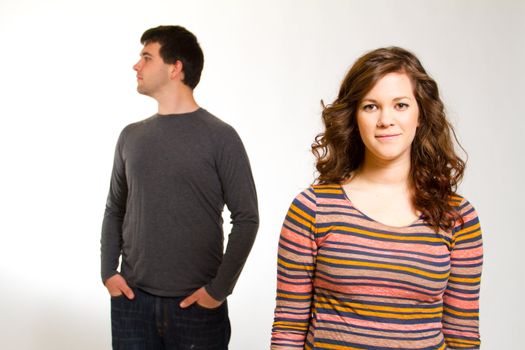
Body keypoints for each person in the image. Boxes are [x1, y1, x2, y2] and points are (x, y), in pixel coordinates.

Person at [271, 47, 483, 349]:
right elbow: (289, 328)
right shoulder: (312, 209)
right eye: (371, 106)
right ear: (354, 117)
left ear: (421, 115)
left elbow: (463, 336)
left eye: (400, 105)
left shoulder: (458, 217)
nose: (386, 119)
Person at [100, 25, 259, 350]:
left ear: (175, 67)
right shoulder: (130, 136)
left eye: (146, 57)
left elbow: (246, 218)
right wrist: (108, 272)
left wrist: (218, 291)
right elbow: (115, 208)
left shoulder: (221, 137)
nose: (136, 65)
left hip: (196, 308)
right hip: (132, 303)